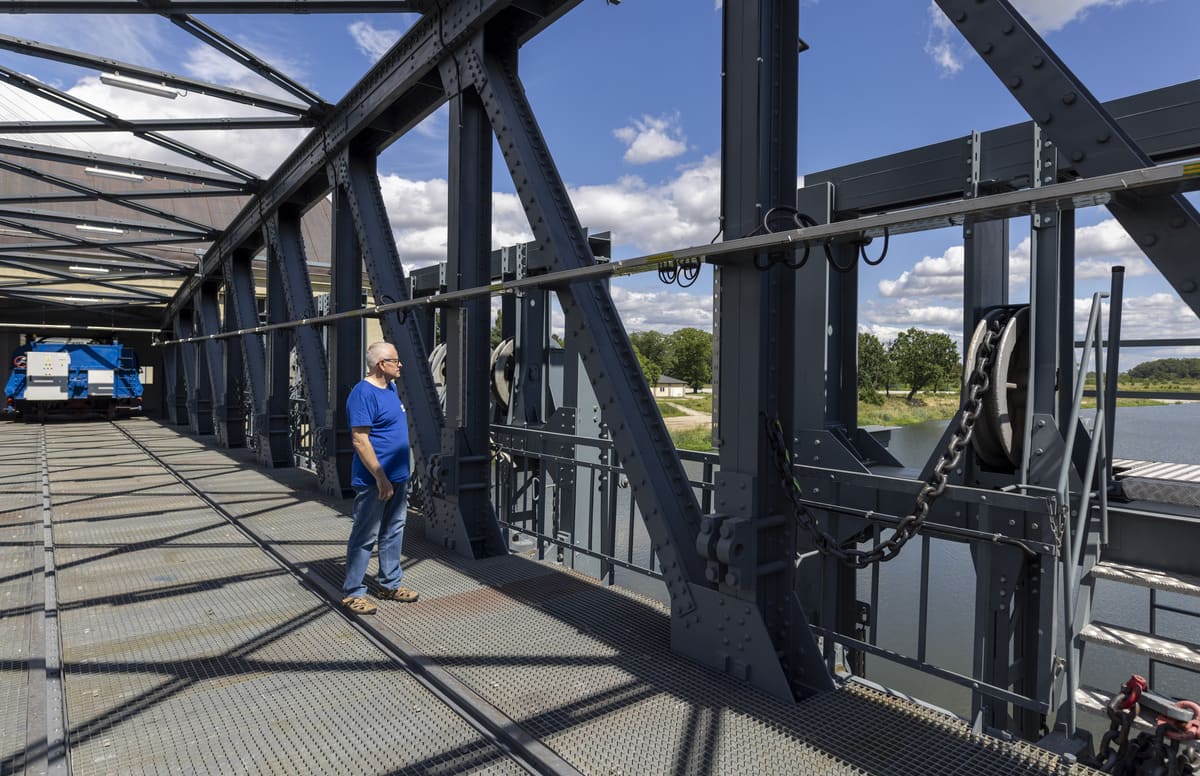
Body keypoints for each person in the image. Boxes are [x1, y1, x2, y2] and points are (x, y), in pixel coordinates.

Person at [341, 341, 419, 615]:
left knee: (393, 530)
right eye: (395, 361)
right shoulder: (362, 394)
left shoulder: (390, 388)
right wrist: (380, 476)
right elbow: (360, 440)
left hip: (398, 475)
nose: (400, 365)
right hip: (374, 479)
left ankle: (390, 584)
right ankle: (353, 592)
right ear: (381, 364)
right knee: (365, 534)